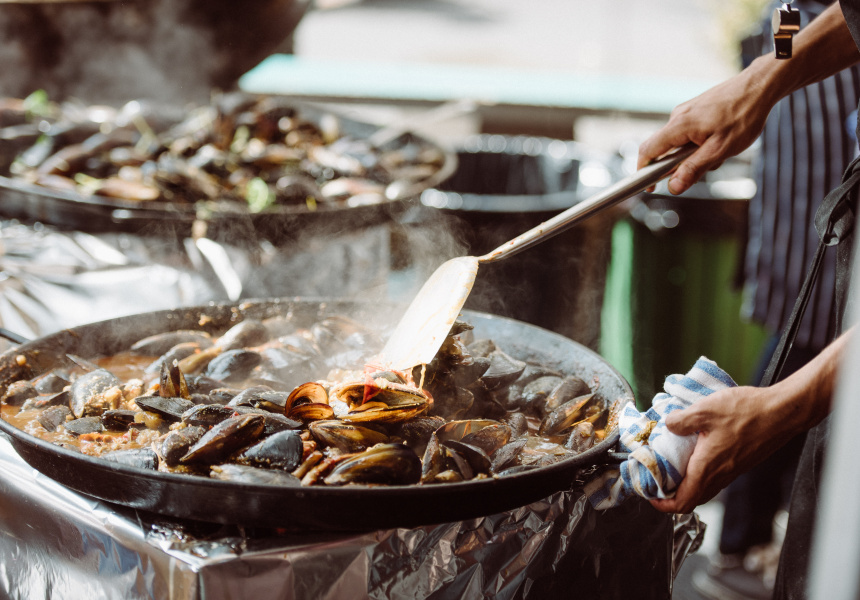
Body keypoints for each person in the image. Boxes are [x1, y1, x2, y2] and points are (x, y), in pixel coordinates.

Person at [637, 2, 860, 597]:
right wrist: (765, 75)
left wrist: (785, 406)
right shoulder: (792, 29)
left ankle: (739, 542)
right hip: (806, 88)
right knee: (800, 304)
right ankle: (740, 544)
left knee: (809, 328)